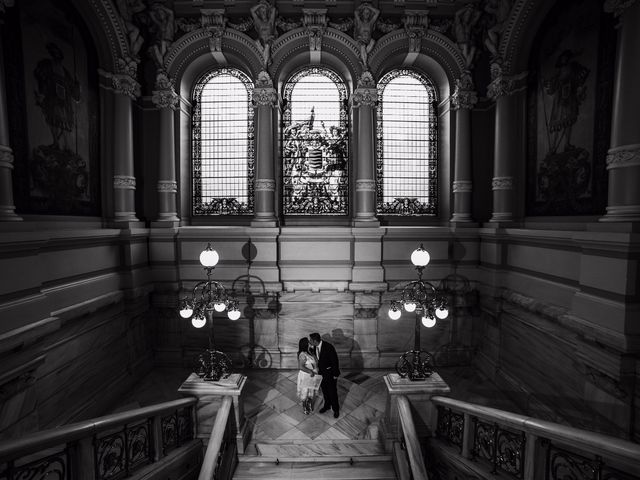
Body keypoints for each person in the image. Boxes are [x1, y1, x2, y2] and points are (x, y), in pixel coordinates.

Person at [309, 332, 341, 418]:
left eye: (311, 340)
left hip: (330, 374)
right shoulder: (313, 347)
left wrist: (335, 374)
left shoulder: (328, 347)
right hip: (320, 374)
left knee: (332, 392)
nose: (309, 341)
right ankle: (327, 405)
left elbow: (335, 361)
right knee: (325, 391)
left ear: (315, 341)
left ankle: (336, 409)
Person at [296, 337, 321, 414]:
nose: (310, 343)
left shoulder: (311, 352)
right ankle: (304, 406)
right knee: (305, 391)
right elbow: (301, 367)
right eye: (308, 342)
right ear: (305, 344)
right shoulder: (302, 354)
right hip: (306, 375)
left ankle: (309, 403)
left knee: (311, 390)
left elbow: (316, 362)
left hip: (313, 375)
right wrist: (310, 371)